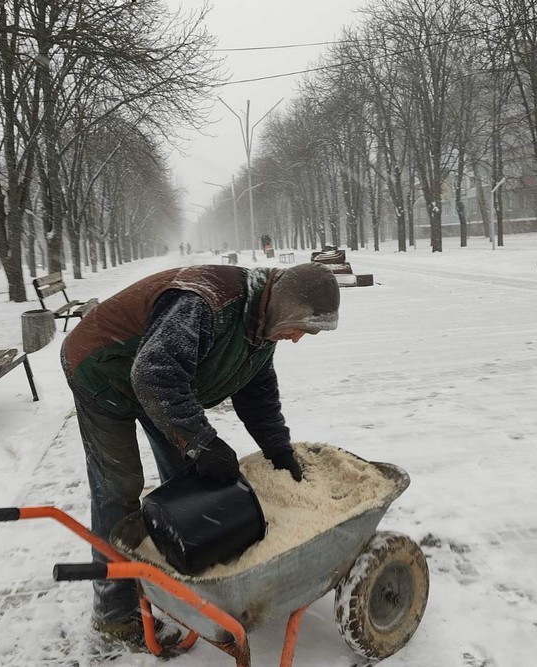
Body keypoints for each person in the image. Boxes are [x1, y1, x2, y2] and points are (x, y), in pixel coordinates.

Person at [61, 262, 340, 652]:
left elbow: (256, 393)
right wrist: (201, 440)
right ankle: (116, 615)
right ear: (284, 308)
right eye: (302, 328)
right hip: (101, 370)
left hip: (157, 378)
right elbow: (154, 374)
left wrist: (279, 449)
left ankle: (187, 581)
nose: (297, 339)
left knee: (188, 478)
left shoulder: (264, 325)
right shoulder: (204, 303)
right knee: (118, 488)